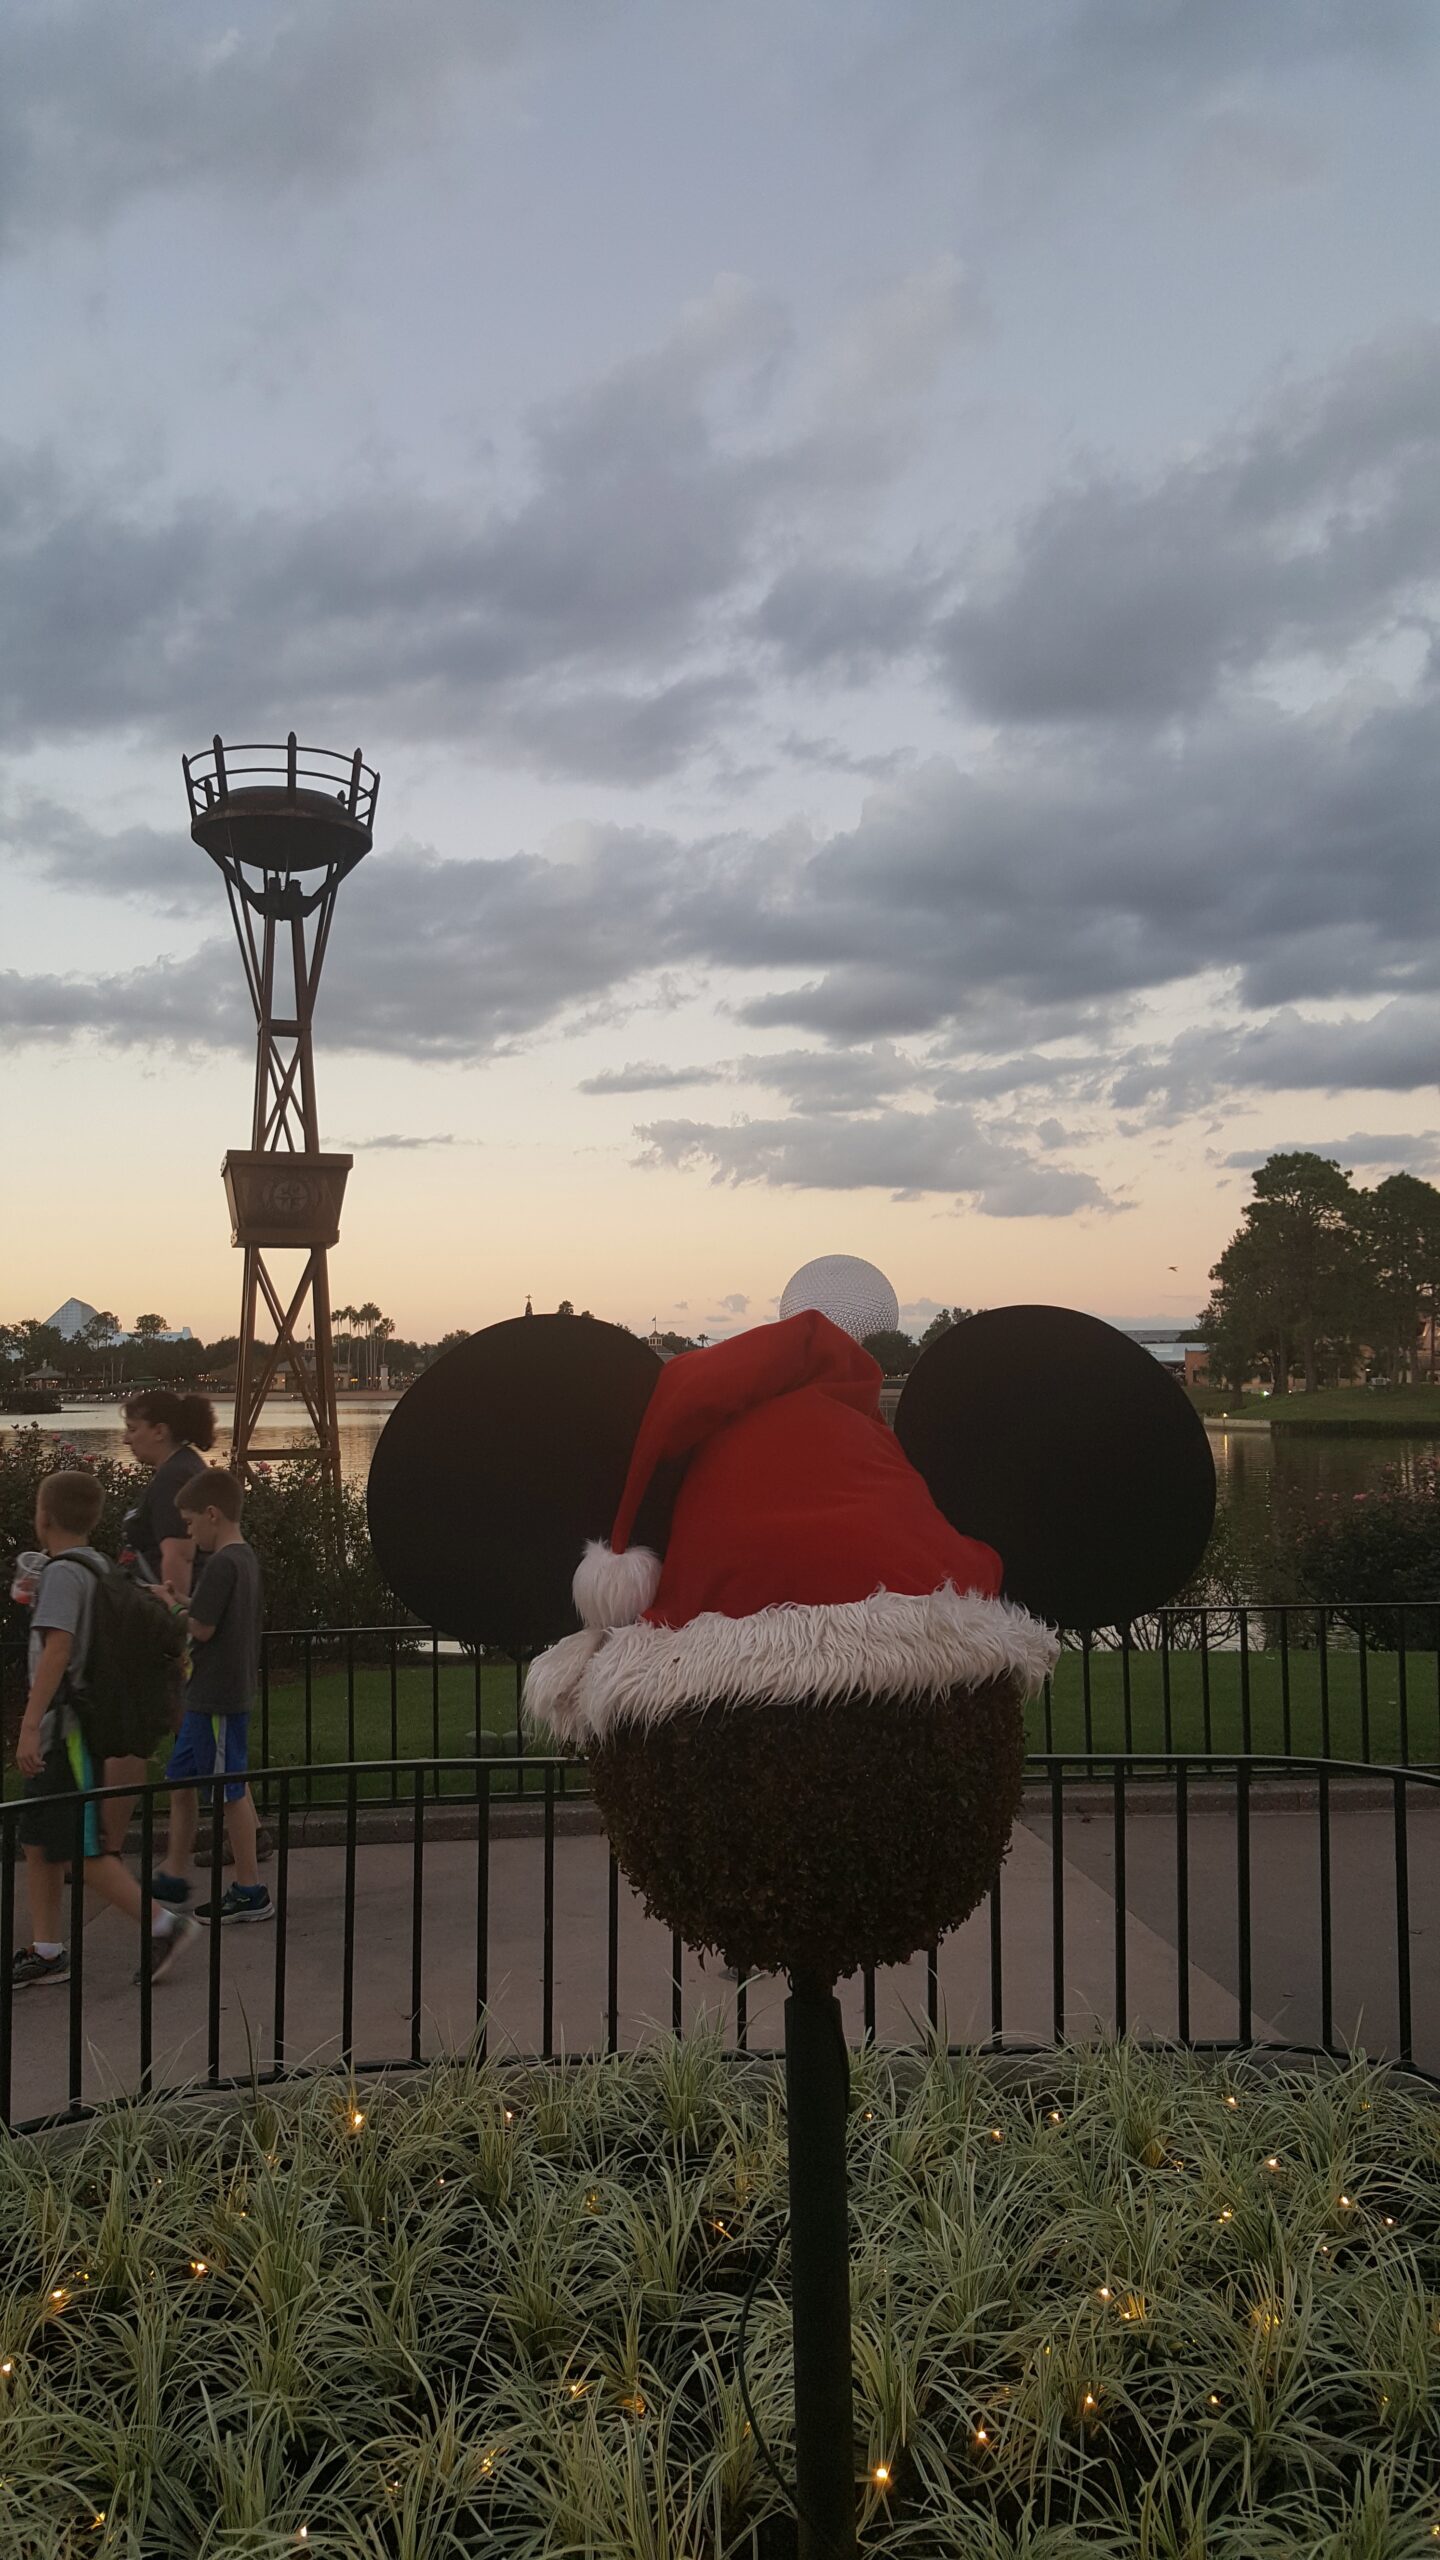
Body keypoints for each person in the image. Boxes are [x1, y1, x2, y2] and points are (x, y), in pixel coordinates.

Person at [11, 1471, 198, 1988]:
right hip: (72, 1723)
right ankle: (47, 1949)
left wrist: (29, 1726)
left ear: (44, 1515)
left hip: (64, 1730)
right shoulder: (92, 1565)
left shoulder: (64, 1575)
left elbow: (59, 1650)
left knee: (81, 1847)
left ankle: (165, 1925)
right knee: (39, 1839)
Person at [149, 1467, 271, 1923]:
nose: (189, 1532)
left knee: (229, 1790)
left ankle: (249, 1889)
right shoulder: (243, 1557)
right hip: (209, 1695)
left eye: (190, 1521)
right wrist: (180, 1599)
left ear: (212, 1514)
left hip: (217, 1696)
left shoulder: (221, 1563)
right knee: (180, 1778)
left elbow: (201, 1628)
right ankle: (173, 1869)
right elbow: (209, 1614)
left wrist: (169, 1606)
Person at [109, 1390, 218, 1853]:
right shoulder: (182, 1469)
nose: (127, 1439)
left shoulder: (176, 1475)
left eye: (133, 1429)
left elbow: (179, 1557)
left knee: (129, 1731)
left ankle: (104, 1848)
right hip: (163, 1625)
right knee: (193, 1728)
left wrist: (175, 1627)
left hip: (158, 1629)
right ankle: (244, 1829)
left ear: (160, 1430)